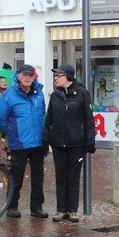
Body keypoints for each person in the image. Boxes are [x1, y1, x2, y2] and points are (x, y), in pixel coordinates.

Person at [0, 64, 47, 219]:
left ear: (34, 77)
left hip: (37, 143)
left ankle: (36, 207)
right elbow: (0, 118)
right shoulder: (8, 96)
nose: (27, 77)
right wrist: (12, 133)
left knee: (38, 178)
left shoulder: (39, 94)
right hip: (19, 143)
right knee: (16, 177)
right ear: (18, 76)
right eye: (24, 74)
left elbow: (42, 114)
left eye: (30, 75)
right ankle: (12, 206)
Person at [44, 64, 95, 222]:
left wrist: (89, 141)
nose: (56, 78)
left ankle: (72, 210)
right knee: (60, 177)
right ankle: (61, 210)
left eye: (59, 75)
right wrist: (46, 139)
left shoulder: (82, 93)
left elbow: (89, 120)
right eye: (55, 76)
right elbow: (49, 120)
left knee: (73, 178)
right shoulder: (54, 95)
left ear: (69, 77)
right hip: (58, 143)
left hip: (76, 144)